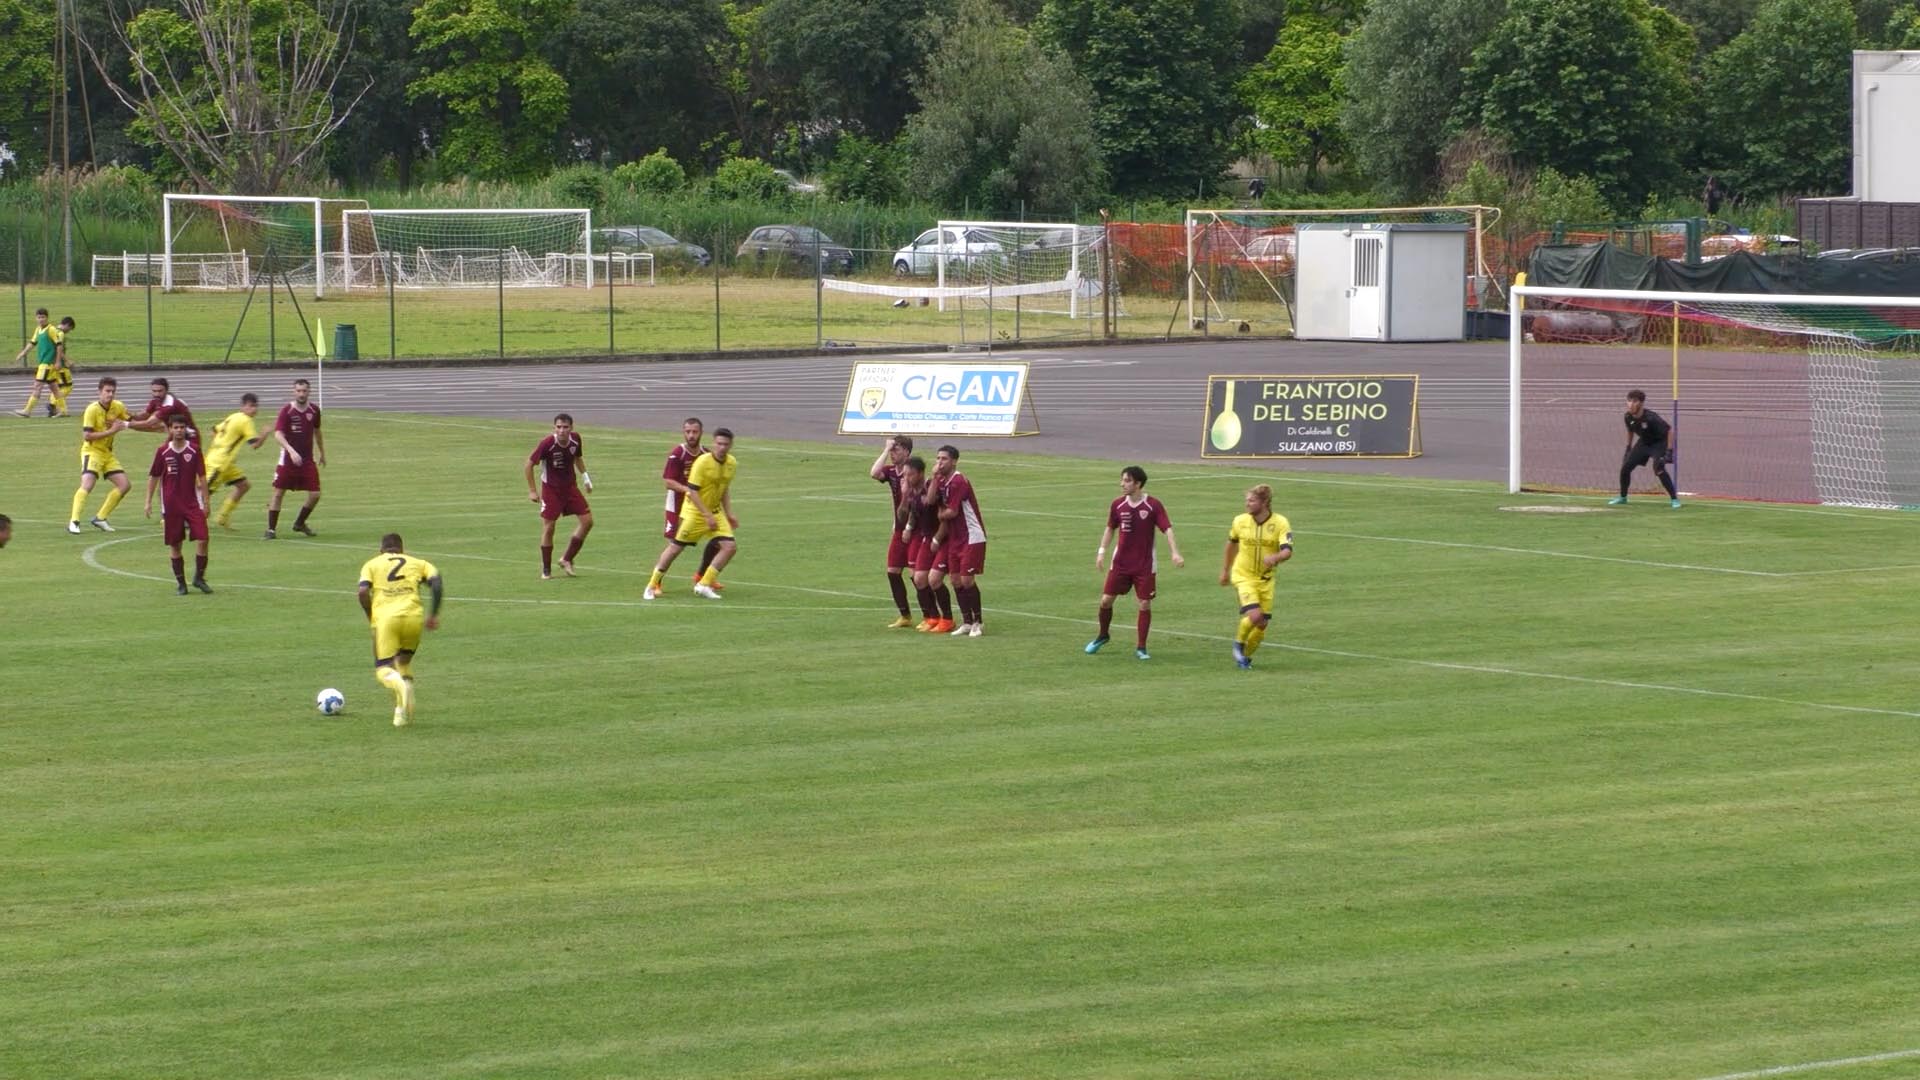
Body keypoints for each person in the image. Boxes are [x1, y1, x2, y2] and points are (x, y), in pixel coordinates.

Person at [1086, 466, 1184, 660]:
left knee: (1145, 603)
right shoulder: (1117, 504)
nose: (1122, 484)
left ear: (1138, 484)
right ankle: (1103, 635)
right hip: (1120, 563)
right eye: (1122, 480)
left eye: (1127, 481)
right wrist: (1101, 552)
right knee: (1105, 601)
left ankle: (1141, 647)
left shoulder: (1153, 505)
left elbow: (1167, 529)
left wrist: (1175, 552)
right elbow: (1110, 528)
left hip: (1144, 564)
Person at [357, 532, 443, 728]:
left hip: (387, 620)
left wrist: (371, 615)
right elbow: (437, 583)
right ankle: (400, 713)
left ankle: (399, 685)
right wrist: (433, 614)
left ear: (381, 550)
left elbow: (362, 592)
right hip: (414, 618)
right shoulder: (419, 563)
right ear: (402, 549)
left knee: (383, 668)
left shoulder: (372, 564)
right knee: (403, 660)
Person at [644, 427, 737, 601]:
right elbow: (692, 492)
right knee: (675, 548)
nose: (722, 447)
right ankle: (651, 585)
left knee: (729, 547)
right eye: (719, 443)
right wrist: (706, 515)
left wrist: (729, 514)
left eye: (725, 444)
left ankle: (703, 584)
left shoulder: (732, 463)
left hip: (715, 512)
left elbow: (724, 489)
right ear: (714, 443)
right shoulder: (702, 462)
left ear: (731, 445)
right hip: (695, 512)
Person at [1222, 483, 1292, 670]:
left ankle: (1244, 657)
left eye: (1252, 501)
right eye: (1247, 500)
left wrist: (1276, 557)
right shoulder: (1239, 521)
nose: (1247, 504)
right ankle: (1238, 645)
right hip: (1243, 576)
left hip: (1266, 581)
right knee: (1255, 615)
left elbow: (1287, 551)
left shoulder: (1280, 523)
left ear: (1265, 502)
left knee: (1262, 625)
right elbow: (1231, 545)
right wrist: (1225, 570)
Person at [144, 414, 212, 595]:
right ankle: (181, 584)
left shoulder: (194, 450)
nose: (179, 431)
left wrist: (206, 502)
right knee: (175, 544)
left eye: (182, 427)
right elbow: (154, 476)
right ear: (170, 429)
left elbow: (202, 477)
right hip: (171, 504)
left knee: (204, 538)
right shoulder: (163, 451)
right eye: (176, 427)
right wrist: (148, 501)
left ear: (185, 429)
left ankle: (199, 578)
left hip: (192, 503)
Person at [526, 412, 593, 579]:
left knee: (587, 521)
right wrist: (532, 490)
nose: (561, 430)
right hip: (551, 490)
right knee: (549, 527)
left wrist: (586, 478)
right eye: (558, 427)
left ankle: (566, 559)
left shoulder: (576, 439)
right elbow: (528, 465)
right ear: (554, 428)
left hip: (570, 488)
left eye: (565, 427)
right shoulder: (547, 444)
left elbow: (577, 458)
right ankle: (546, 570)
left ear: (571, 428)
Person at [660, 417, 724, 593]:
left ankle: (702, 577)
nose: (691, 435)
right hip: (678, 504)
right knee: (674, 546)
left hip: (700, 505)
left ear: (701, 432)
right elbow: (668, 482)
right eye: (688, 432)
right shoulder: (678, 453)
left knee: (720, 540)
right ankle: (656, 582)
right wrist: (687, 490)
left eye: (694, 432)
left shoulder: (706, 454)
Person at [929, 445, 987, 637]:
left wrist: (940, 514)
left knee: (967, 580)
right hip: (955, 538)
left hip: (971, 536)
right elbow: (930, 501)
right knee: (955, 579)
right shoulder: (942, 480)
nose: (939, 462)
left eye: (944, 459)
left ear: (954, 461)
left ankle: (978, 622)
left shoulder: (958, 481)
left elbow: (951, 512)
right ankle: (966, 622)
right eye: (938, 458)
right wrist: (934, 477)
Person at [69, 377, 132, 534]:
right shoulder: (92, 409)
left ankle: (100, 518)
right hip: (92, 451)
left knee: (125, 485)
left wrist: (154, 421)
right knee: (87, 484)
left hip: (107, 453)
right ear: (100, 391)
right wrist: (112, 431)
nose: (110, 394)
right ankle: (74, 521)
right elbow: (87, 436)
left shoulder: (118, 407)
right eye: (107, 391)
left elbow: (131, 420)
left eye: (113, 391)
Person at [266, 378, 324, 538]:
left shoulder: (314, 410)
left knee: (315, 494)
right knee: (278, 493)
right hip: (287, 460)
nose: (301, 394)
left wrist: (322, 452)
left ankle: (299, 523)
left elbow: (317, 431)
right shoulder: (287, 411)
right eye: (298, 391)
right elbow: (278, 434)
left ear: (309, 392)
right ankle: (271, 529)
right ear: (294, 392)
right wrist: (291, 451)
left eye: (304, 391)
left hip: (307, 460)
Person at [899, 454, 950, 631]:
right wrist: (908, 527)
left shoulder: (930, 486)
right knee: (919, 578)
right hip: (927, 538)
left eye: (910, 474)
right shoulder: (911, 491)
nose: (907, 478)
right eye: (905, 475)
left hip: (942, 538)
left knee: (938, 579)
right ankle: (933, 617)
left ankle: (947, 619)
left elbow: (933, 506)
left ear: (920, 473)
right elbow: (905, 515)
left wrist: (937, 538)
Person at [203, 394, 270, 529]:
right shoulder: (246, 420)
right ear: (243, 406)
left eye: (255, 406)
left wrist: (223, 447)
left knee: (244, 485)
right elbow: (255, 445)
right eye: (250, 406)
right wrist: (265, 433)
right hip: (219, 464)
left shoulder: (233, 416)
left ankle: (222, 517)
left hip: (224, 462)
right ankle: (177, 519)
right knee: (203, 494)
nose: (254, 409)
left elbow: (214, 431)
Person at [870, 435, 917, 627]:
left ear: (906, 451)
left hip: (916, 530)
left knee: (917, 576)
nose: (892, 454)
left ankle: (933, 615)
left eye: (895, 450)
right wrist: (885, 449)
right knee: (893, 572)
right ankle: (905, 616)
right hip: (899, 530)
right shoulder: (891, 472)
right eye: (891, 450)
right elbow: (874, 473)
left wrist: (909, 527)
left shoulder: (913, 473)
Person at [1610, 389, 1680, 508]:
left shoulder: (1651, 418)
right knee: (1625, 468)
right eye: (1629, 401)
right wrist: (1628, 447)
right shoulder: (1628, 416)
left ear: (1641, 403)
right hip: (1644, 443)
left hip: (1659, 443)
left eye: (1634, 401)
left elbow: (1669, 431)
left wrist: (1669, 451)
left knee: (1659, 468)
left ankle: (1674, 499)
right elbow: (1630, 431)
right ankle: (1623, 497)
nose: (1631, 404)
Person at [13, 312, 72, 418]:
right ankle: (64, 411)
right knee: (55, 389)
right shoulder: (38, 329)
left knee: (37, 386)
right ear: (36, 318)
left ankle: (27, 411)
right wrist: (23, 353)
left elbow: (59, 346)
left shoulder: (51, 329)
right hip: (43, 363)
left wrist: (58, 361)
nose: (41, 319)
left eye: (43, 317)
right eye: (39, 317)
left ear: (47, 318)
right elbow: (32, 343)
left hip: (47, 364)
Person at [126, 377, 200, 444]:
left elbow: (148, 423)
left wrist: (125, 424)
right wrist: (126, 413)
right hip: (174, 435)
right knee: (161, 453)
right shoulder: (156, 400)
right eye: (154, 391)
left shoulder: (169, 405)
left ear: (166, 390)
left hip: (189, 437)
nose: (157, 394)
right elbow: (143, 415)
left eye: (160, 391)